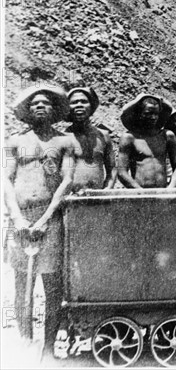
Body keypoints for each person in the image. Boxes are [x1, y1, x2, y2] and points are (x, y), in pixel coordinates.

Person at [4, 86, 77, 357]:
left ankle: (47, 348)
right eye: (34, 103)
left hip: (52, 219)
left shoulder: (65, 141)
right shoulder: (13, 141)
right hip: (21, 220)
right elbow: (5, 180)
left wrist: (46, 219)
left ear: (54, 109)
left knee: (52, 286)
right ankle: (24, 341)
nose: (40, 106)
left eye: (46, 103)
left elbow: (67, 181)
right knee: (22, 284)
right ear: (27, 109)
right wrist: (18, 217)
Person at [117, 93, 176, 188]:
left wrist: (171, 188)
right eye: (148, 113)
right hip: (139, 193)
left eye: (156, 114)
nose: (153, 117)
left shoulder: (167, 136)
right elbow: (121, 172)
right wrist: (139, 192)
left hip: (163, 191)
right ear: (139, 114)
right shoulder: (129, 138)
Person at [66, 87, 116, 191]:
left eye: (84, 101)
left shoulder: (103, 135)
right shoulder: (63, 137)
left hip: (98, 197)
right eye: (74, 102)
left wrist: (107, 189)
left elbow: (112, 170)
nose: (79, 105)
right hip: (70, 198)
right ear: (68, 108)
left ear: (91, 106)